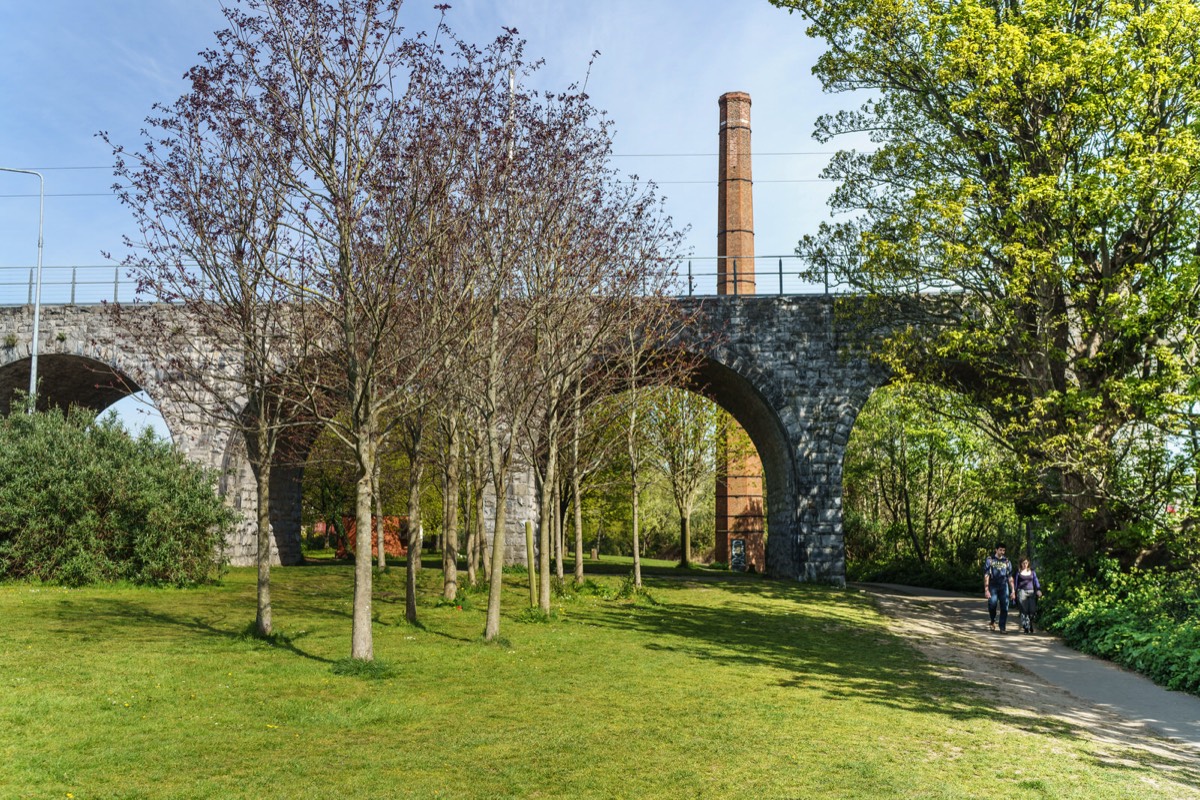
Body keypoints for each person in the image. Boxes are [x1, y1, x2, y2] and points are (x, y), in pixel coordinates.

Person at [983, 543, 1015, 632]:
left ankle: (1002, 627)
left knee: (1004, 606)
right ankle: (992, 621)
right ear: (996, 550)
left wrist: (1013, 590)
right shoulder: (990, 560)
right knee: (992, 604)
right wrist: (986, 589)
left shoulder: (1007, 561)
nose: (1002, 552)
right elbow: (986, 575)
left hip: (1004, 586)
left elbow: (1010, 576)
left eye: (1003, 550)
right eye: (1000, 550)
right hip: (993, 585)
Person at [1014, 557, 1043, 634]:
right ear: (1020, 564)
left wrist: (1038, 589)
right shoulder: (1018, 572)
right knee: (1024, 611)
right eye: (1023, 563)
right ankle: (1026, 627)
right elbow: (1015, 584)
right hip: (1021, 592)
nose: (1025, 564)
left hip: (1031, 592)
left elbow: (1036, 581)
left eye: (1026, 563)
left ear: (1028, 563)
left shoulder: (1032, 572)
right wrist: (1014, 593)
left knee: (1032, 610)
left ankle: (1030, 623)